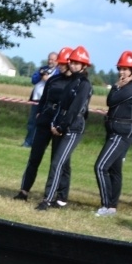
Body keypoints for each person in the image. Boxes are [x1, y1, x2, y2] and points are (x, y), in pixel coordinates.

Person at [36, 45, 93, 211]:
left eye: (77, 63)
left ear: (84, 66)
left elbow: (75, 109)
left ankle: (47, 199)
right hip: (62, 125)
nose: (73, 66)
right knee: (64, 163)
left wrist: (61, 126)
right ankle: (61, 198)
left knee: (57, 163)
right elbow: (62, 105)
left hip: (73, 128)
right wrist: (55, 122)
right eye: (72, 62)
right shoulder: (73, 81)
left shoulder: (84, 84)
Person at [13, 47, 72, 204]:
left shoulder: (75, 83)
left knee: (57, 162)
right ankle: (24, 190)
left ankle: (58, 196)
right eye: (59, 63)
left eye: (62, 63)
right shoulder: (53, 80)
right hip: (46, 120)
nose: (59, 66)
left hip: (61, 123)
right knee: (34, 157)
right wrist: (40, 113)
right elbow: (44, 98)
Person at [94, 51, 132, 217]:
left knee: (100, 166)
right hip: (114, 129)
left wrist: (116, 87)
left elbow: (112, 100)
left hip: (122, 131)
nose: (121, 71)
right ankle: (112, 206)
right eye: (120, 68)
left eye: (125, 68)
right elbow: (110, 99)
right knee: (115, 170)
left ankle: (106, 205)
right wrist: (116, 87)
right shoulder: (122, 85)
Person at [24, 52, 58, 147]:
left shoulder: (58, 72)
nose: (50, 61)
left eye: (52, 59)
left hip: (48, 102)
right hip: (36, 99)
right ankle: (28, 142)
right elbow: (33, 80)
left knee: (43, 124)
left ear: (57, 60)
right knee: (32, 122)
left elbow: (57, 85)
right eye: (49, 59)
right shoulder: (42, 69)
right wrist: (40, 75)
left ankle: (38, 144)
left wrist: (48, 80)